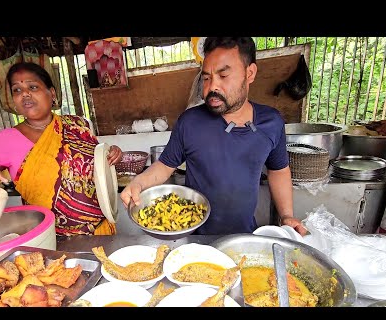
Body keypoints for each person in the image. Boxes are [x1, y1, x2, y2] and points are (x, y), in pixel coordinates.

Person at [121, 37, 307, 236]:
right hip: (193, 240)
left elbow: (278, 170)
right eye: (207, 77)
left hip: (242, 237)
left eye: (223, 75)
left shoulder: (272, 123)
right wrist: (138, 183)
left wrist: (287, 215)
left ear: (250, 73)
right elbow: (165, 166)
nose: (211, 87)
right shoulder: (190, 122)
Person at [0, 62, 123, 236]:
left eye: (33, 87)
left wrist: (111, 154)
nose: (25, 94)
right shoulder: (4, 141)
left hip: (101, 228)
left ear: (51, 93)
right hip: (50, 239)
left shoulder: (78, 124)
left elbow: (96, 165)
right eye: (17, 90)